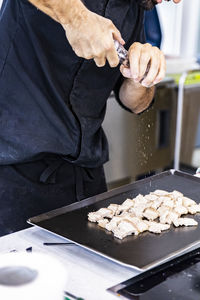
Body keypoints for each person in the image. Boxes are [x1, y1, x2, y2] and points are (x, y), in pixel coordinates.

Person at [0, 0, 181, 236]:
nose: (177, 1)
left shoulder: (134, 9)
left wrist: (142, 76)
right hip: (15, 169)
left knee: (99, 268)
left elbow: (136, 103)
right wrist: (77, 18)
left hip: (86, 172)